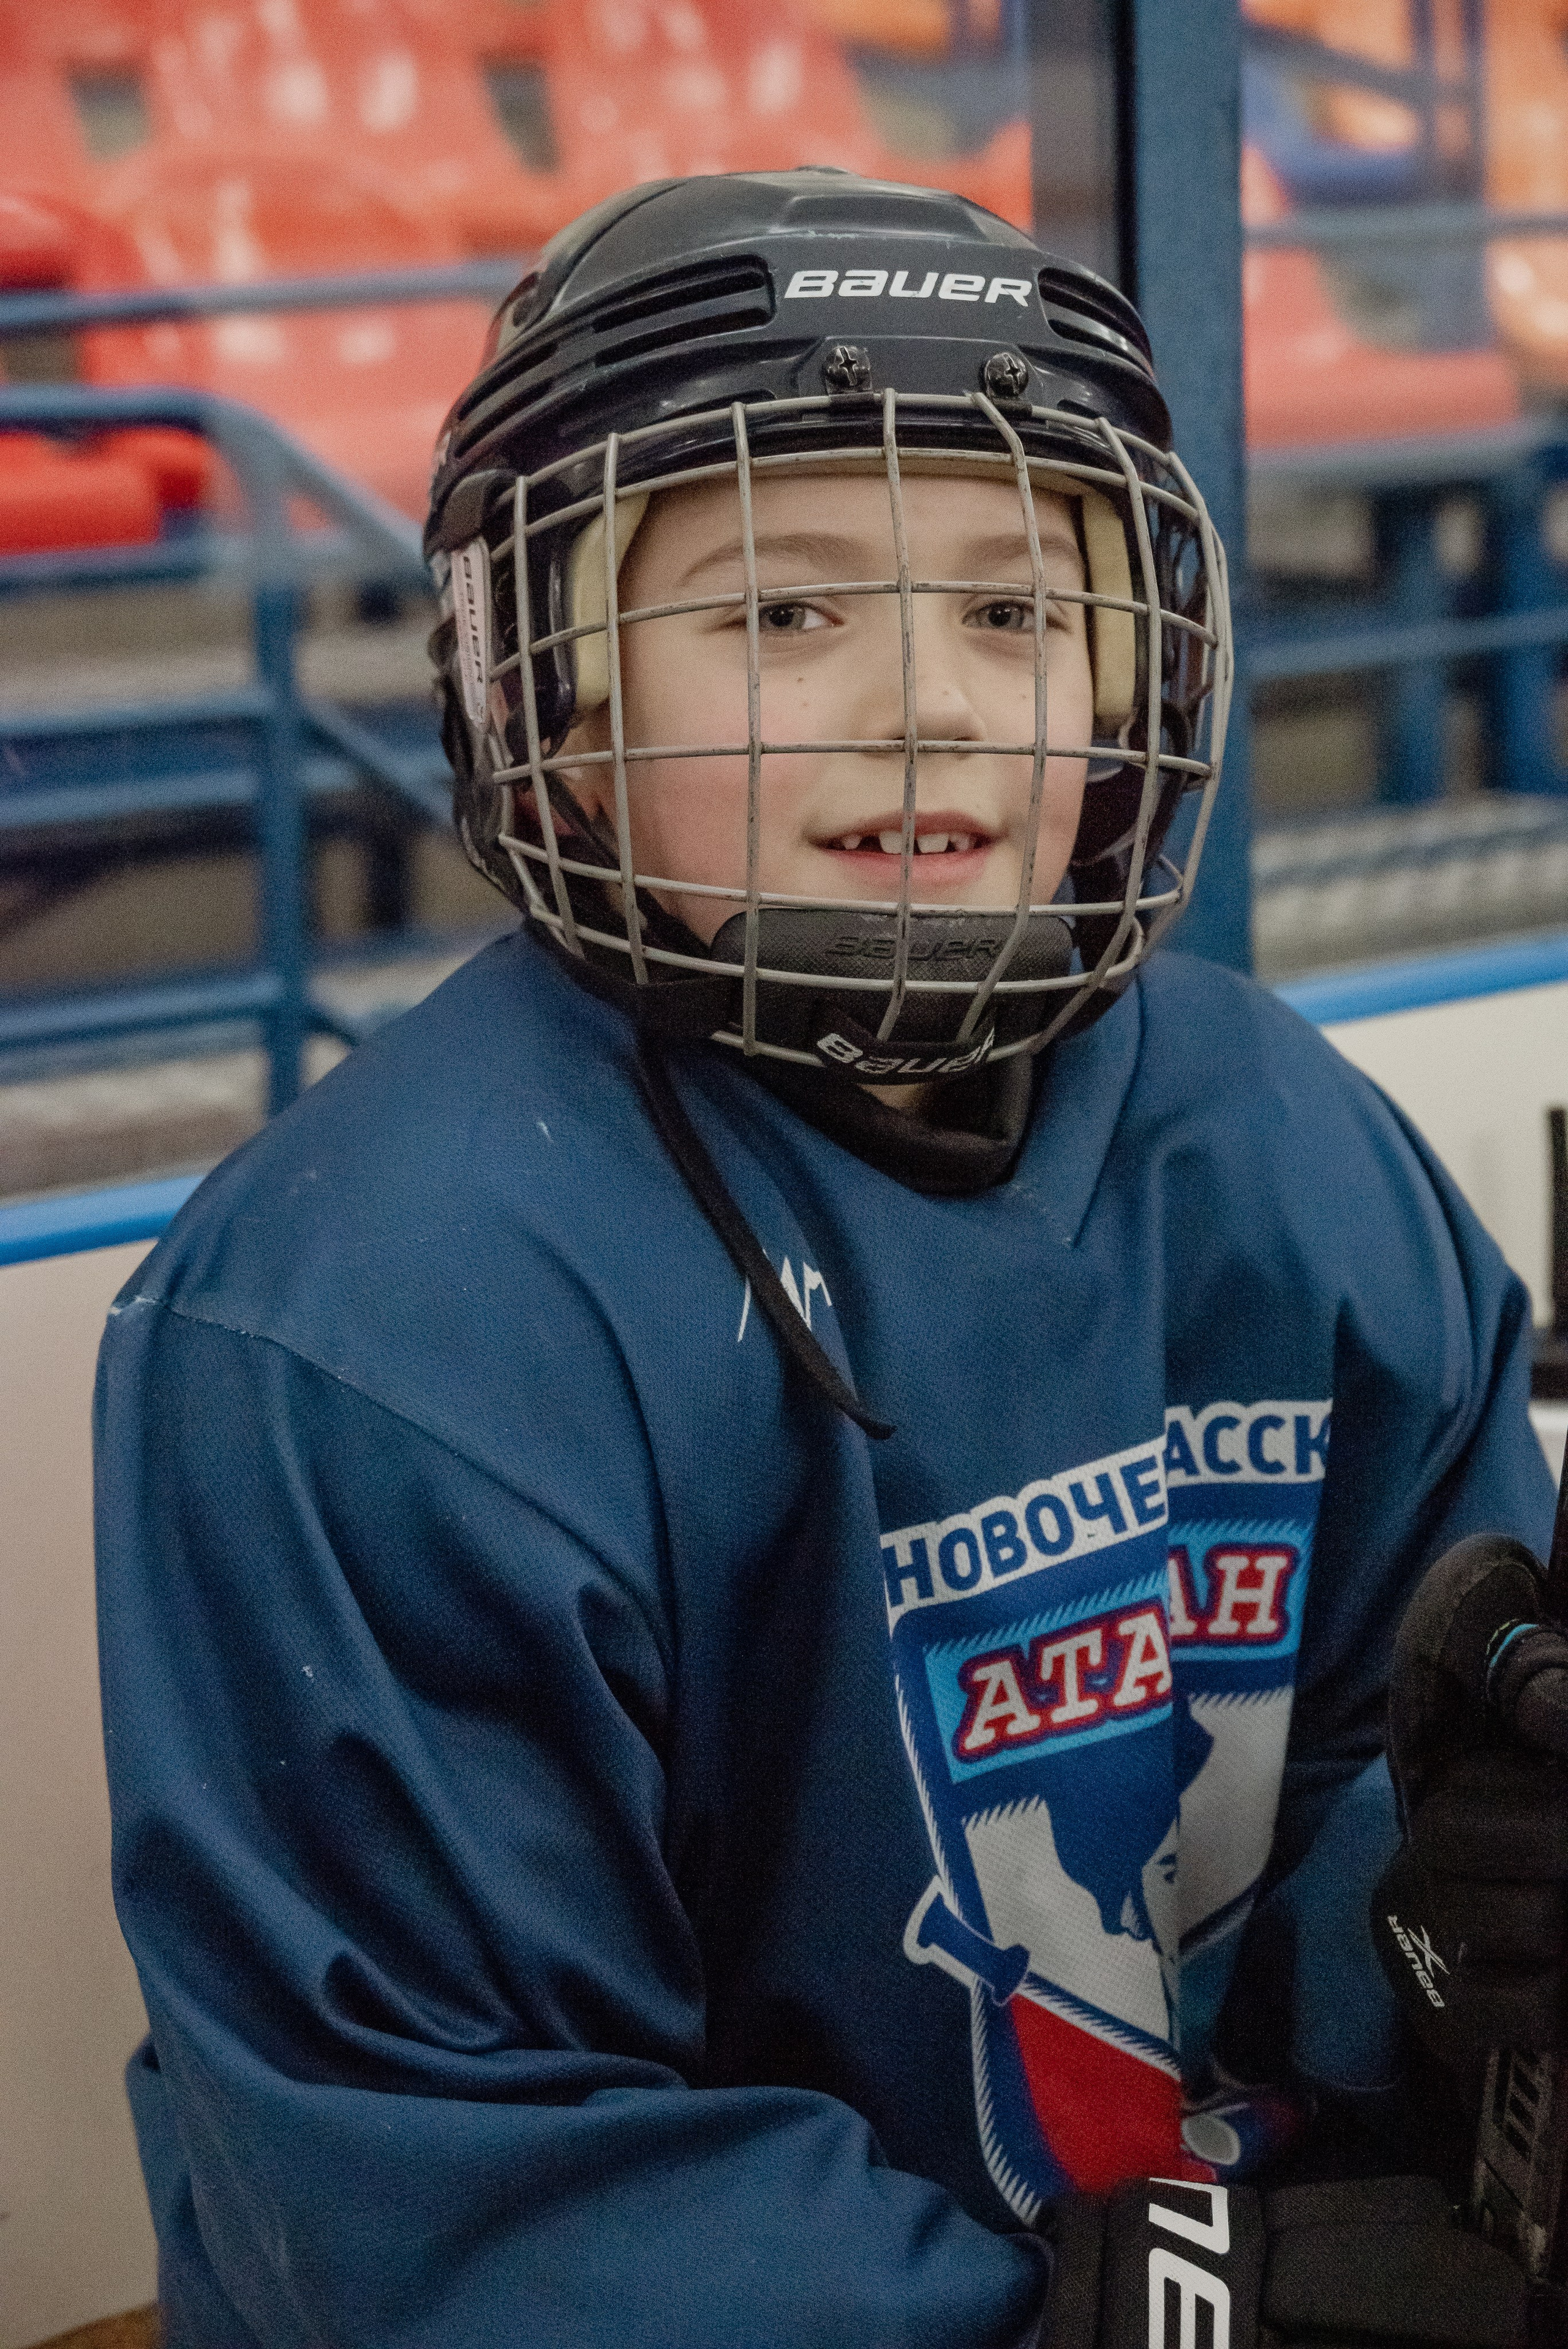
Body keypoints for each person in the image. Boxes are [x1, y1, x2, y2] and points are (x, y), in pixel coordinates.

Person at [96, 171, 1558, 2348]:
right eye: (778, 615)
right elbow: (440, 2180)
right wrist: (1100, 2314)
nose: (923, 706)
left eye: (1017, 609)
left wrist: (1468, 1973)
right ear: (556, 705)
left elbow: (1388, 1750)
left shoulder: (1279, 1137)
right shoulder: (368, 1323)